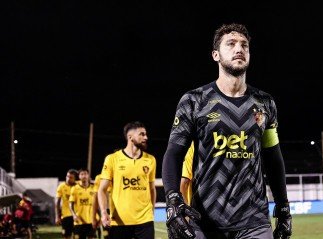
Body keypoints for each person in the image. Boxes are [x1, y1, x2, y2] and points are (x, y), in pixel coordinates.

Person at [162, 23, 292, 239]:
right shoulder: (194, 101)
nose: (239, 49)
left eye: (244, 45)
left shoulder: (265, 103)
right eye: (230, 44)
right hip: (204, 221)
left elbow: (273, 158)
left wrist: (283, 207)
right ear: (215, 55)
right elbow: (173, 153)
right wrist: (173, 199)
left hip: (254, 221)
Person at [97, 121, 157, 239]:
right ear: (130, 137)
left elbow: (151, 189)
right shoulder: (112, 159)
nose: (146, 137)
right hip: (119, 221)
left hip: (145, 220)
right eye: (142, 134)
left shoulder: (150, 160)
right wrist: (104, 213)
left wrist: (152, 211)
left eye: (145, 134)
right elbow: (102, 190)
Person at [69, 168, 96, 239]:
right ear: (79, 176)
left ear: (88, 175)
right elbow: (70, 205)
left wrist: (100, 216)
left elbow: (97, 204)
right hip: (79, 221)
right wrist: (74, 215)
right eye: (82, 174)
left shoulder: (93, 188)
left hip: (91, 220)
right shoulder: (74, 188)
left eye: (86, 174)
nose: (84, 176)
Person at [56, 169, 78, 239]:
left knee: (77, 236)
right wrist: (57, 216)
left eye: (71, 177)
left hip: (77, 215)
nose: (68, 179)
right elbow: (57, 203)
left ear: (75, 179)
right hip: (65, 216)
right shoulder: (61, 186)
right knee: (66, 236)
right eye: (67, 176)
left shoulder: (78, 186)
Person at [91, 173, 110, 239]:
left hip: (121, 210)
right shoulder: (99, 177)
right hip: (106, 210)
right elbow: (95, 199)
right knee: (106, 235)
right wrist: (93, 217)